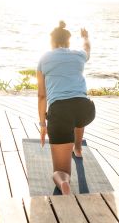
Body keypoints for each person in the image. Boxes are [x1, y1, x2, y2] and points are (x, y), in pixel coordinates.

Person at [37, 20, 95, 195]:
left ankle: (64, 183)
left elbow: (42, 95)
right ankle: (77, 148)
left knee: (60, 171)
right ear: (69, 42)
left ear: (52, 42)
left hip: (60, 113)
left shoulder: (44, 59)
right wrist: (85, 37)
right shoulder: (78, 55)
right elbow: (87, 48)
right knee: (76, 113)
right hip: (86, 110)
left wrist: (43, 125)